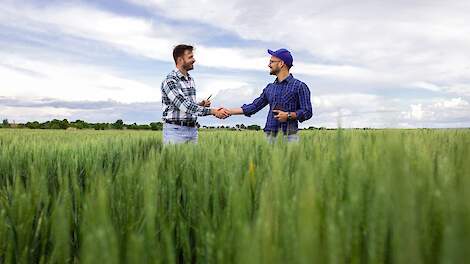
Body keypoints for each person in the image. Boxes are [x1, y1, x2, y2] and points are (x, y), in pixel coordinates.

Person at [227, 48, 313, 142]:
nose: (268, 65)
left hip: (290, 137)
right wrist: (228, 111)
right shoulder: (269, 88)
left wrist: (288, 115)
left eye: (272, 62)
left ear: (281, 63)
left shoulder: (300, 86)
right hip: (269, 136)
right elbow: (253, 107)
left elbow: (307, 111)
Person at [161, 44, 230, 144]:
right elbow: (185, 106)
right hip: (175, 131)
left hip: (192, 130)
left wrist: (201, 104)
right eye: (190, 57)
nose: (194, 60)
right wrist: (213, 111)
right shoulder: (170, 81)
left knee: (193, 160)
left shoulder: (190, 79)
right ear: (180, 60)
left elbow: (185, 105)